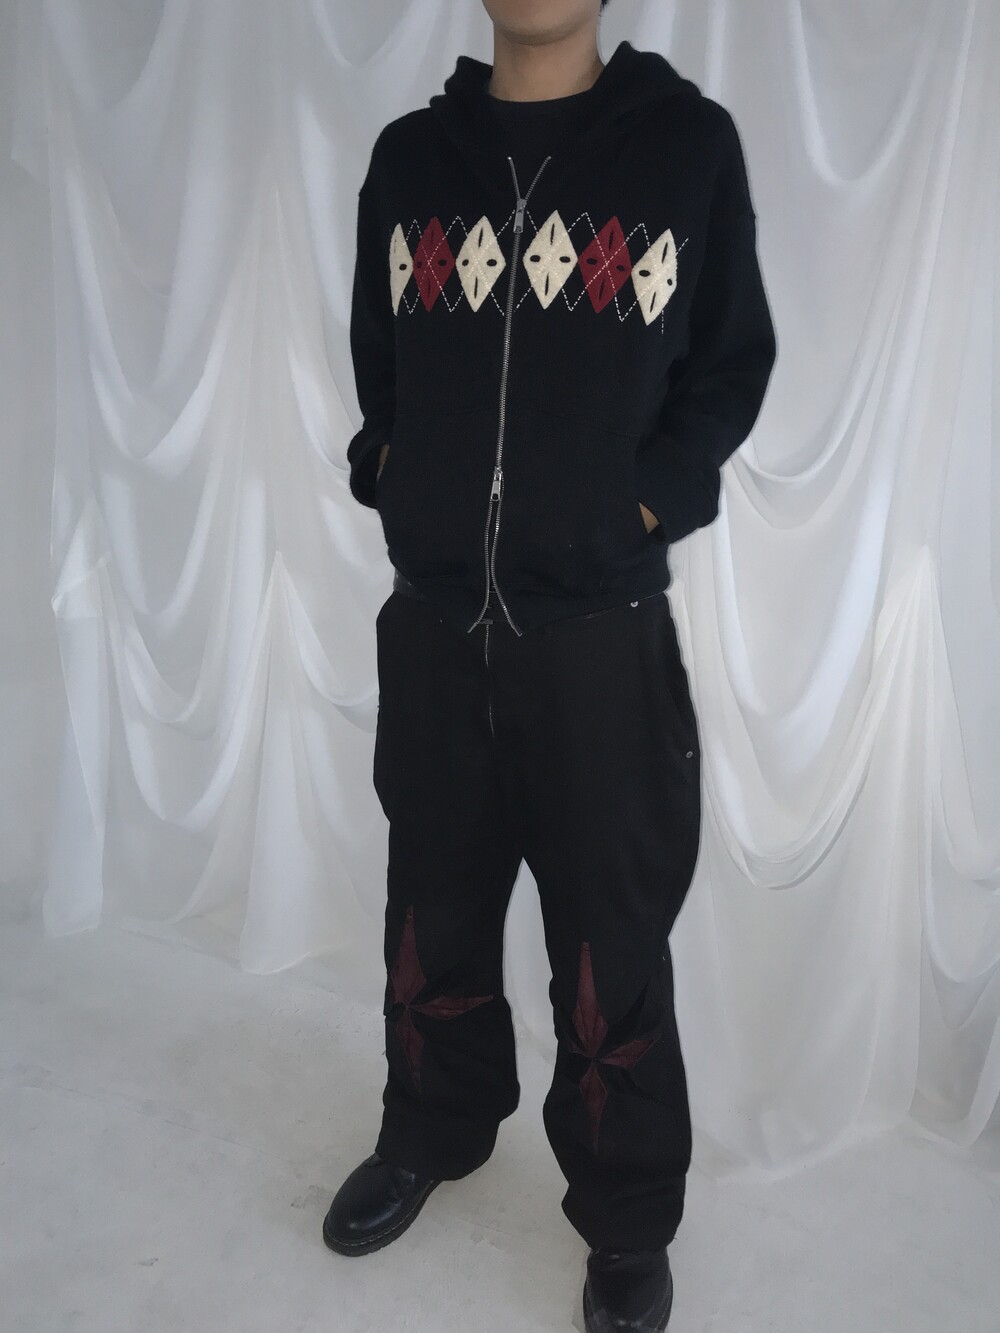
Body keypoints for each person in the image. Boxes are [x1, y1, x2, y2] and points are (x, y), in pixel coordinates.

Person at [324, 1, 776, 1328]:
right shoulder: (414, 160)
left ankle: (627, 1218)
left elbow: (730, 363)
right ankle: (434, 1124)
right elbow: (381, 362)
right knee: (432, 905)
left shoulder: (684, 150)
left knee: (609, 942)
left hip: (596, 639)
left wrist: (640, 504)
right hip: (434, 622)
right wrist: (395, 473)